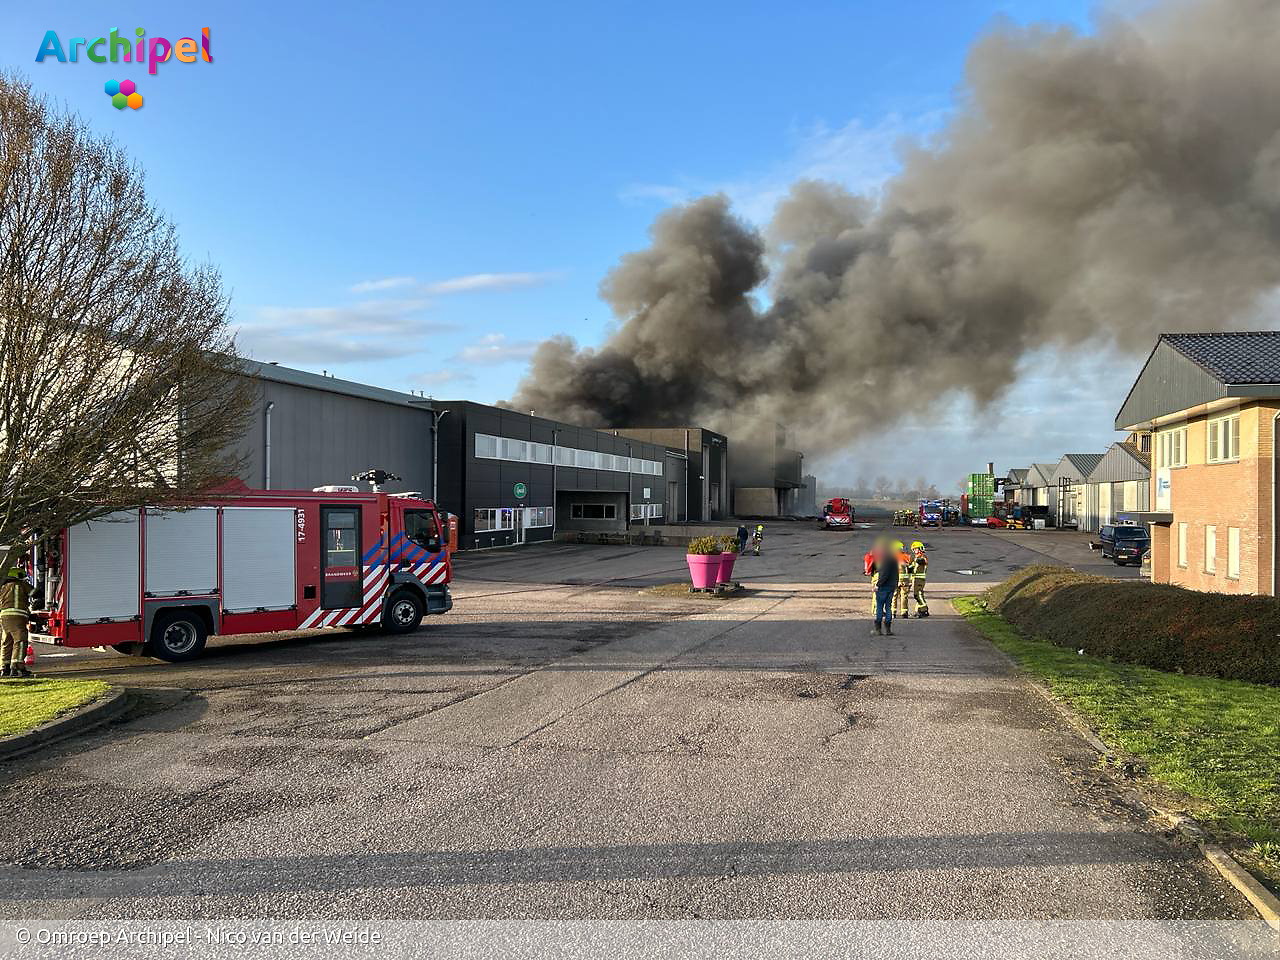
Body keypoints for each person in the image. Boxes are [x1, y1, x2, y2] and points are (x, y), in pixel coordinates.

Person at [1, 557, 34, 678]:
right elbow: (35, 593)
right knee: (20, 641)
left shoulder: (2, 587)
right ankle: (17, 667)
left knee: (6, 642)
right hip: (18, 617)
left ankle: (4, 668)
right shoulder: (21, 585)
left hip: (4, 617)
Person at [868, 539, 898, 636]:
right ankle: (888, 629)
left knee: (880, 607)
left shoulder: (885, 560)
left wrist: (877, 585)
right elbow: (896, 574)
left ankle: (878, 629)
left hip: (884, 587)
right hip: (891, 586)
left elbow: (884, 575)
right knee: (888, 607)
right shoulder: (893, 559)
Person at [894, 540, 914, 619]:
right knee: (904, 596)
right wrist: (911, 581)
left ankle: (893, 612)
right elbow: (911, 570)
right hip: (905, 581)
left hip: (894, 580)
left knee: (894, 596)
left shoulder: (891, 557)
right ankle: (904, 612)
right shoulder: (908, 557)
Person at [910, 540, 930, 618]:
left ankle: (924, 610)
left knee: (917, 595)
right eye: (914, 549)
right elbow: (911, 568)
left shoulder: (923, 557)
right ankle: (918, 610)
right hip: (915, 579)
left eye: (916, 549)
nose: (915, 550)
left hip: (919, 579)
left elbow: (923, 561)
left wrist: (916, 560)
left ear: (920, 549)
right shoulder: (916, 557)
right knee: (919, 594)